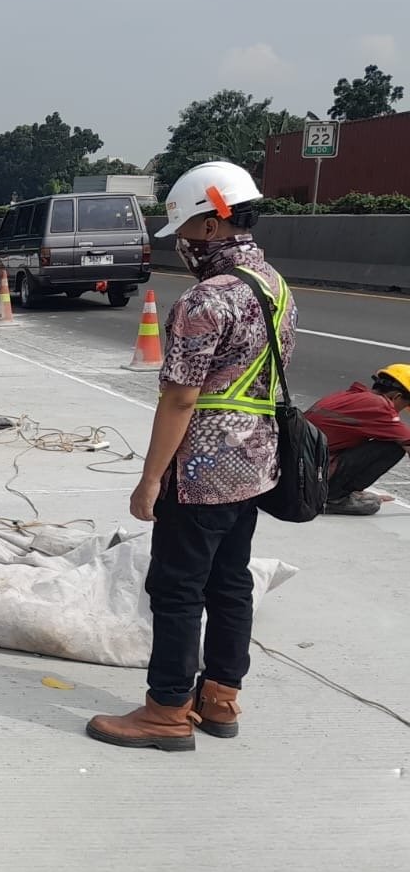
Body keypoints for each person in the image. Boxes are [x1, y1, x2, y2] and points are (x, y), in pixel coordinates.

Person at [87, 161, 296, 752]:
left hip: (202, 467)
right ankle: (220, 699)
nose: (179, 242)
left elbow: (181, 397)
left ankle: (166, 711)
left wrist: (150, 479)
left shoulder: (206, 300)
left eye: (182, 230)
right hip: (255, 464)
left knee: (177, 589)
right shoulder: (276, 287)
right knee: (230, 583)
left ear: (210, 226)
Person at [304, 364, 410, 514]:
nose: (400, 411)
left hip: (299, 470)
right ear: (396, 397)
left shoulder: (350, 396)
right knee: (394, 447)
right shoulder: (381, 407)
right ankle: (333, 498)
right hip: (311, 476)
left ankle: (337, 492)